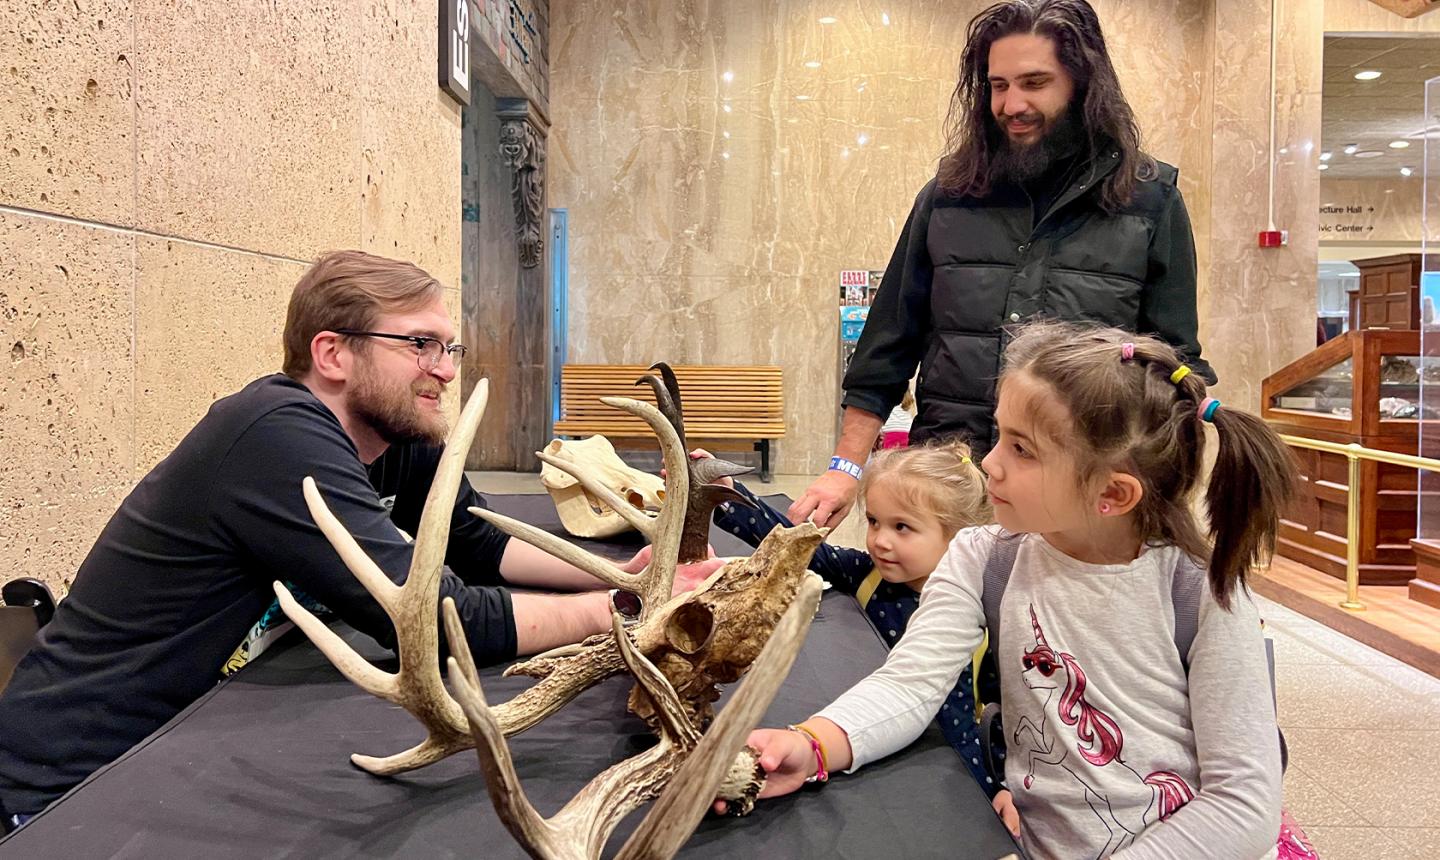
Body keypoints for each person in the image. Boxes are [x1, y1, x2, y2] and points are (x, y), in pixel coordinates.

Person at [0, 250, 721, 832]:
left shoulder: (388, 435)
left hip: (190, 745)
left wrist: (621, 579)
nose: (445, 366)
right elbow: (433, 614)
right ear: (333, 354)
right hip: (77, 783)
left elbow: (474, 541)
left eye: (449, 345)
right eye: (419, 344)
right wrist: (620, 619)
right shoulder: (274, 433)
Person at [732, 321, 1293, 859]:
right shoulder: (983, 556)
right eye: (999, 435)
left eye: (1023, 450)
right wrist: (814, 744)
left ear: (1113, 494)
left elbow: (1242, 803)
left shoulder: (1203, 593)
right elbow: (910, 685)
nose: (990, 465)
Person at [791, 0, 1214, 529]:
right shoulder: (946, 196)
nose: (1012, 104)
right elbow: (886, 347)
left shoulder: (1151, 202)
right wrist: (844, 467)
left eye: (1034, 83)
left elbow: (1171, 368)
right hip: (949, 492)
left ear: (1083, 84)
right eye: (998, 86)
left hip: (1077, 502)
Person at [702, 441, 1000, 793]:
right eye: (874, 522)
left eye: (901, 527)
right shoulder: (867, 572)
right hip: (865, 740)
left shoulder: (978, 617)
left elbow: (1004, 717)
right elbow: (796, 545)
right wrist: (730, 495)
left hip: (946, 769)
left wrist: (999, 787)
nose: (880, 541)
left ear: (960, 539)